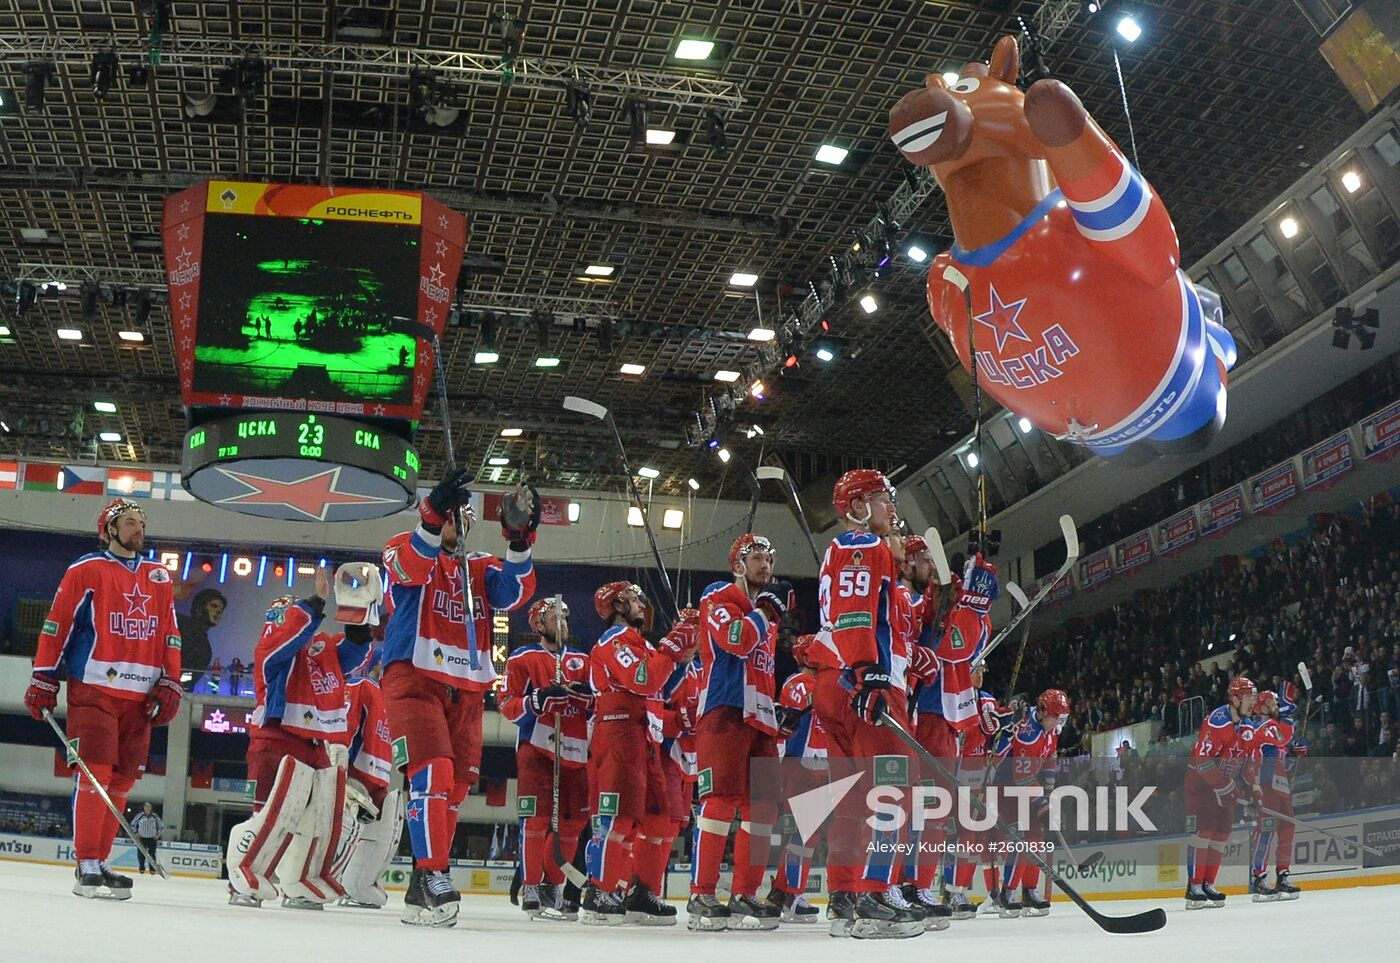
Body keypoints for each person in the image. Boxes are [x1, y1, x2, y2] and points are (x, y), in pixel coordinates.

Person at [380, 471, 540, 927]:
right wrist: (431, 517)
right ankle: (434, 873)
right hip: (414, 676)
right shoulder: (403, 545)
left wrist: (519, 537)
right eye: (448, 515)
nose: (455, 523)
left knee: (454, 789)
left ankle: (419, 884)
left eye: (459, 516)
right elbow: (408, 567)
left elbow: (514, 594)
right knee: (433, 773)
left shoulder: (482, 566)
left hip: (467, 685)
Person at [24, 498, 183, 899]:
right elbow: (57, 625)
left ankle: (102, 859)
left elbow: (170, 633)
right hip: (94, 689)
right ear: (109, 529)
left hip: (141, 695)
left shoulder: (159, 576)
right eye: (130, 522)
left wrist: (170, 682)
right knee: (94, 773)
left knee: (124, 780)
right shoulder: (86, 570)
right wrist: (44, 677)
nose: (138, 529)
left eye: (141, 523)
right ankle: (86, 862)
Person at [808, 469, 924, 939]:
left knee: (854, 799)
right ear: (857, 507)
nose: (891, 508)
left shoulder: (870, 554)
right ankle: (875, 892)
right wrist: (869, 672)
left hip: (840, 683)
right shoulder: (861, 545)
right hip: (862, 681)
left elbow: (877, 618)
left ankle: (844, 897)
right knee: (892, 789)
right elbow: (856, 615)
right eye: (881, 498)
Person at [224, 564, 376, 909]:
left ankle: (299, 880)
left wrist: (358, 616)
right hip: (275, 739)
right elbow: (284, 641)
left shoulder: (321, 650)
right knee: (269, 814)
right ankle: (243, 876)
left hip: (315, 742)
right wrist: (316, 604)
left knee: (320, 817)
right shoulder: (271, 652)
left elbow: (351, 656)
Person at [686, 534, 789, 931]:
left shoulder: (767, 613)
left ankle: (745, 894)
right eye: (757, 557)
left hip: (761, 718)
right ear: (738, 565)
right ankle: (702, 894)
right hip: (723, 712)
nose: (766, 564)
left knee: (762, 812)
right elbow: (737, 642)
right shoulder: (718, 597)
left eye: (769, 556)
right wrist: (763, 612)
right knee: (719, 803)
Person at [581, 581, 695, 925]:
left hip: (645, 736)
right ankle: (599, 890)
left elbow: (662, 685)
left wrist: (686, 649)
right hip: (618, 732)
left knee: (659, 820)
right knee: (618, 817)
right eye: (632, 598)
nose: (641, 602)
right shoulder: (613, 640)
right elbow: (643, 678)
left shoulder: (639, 643)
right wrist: (672, 648)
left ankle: (641, 891)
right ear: (616, 604)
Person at [499, 596, 592, 921]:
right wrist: (536, 700)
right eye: (555, 618)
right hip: (537, 749)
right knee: (535, 821)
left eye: (565, 618)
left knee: (572, 826)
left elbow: (599, 700)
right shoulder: (523, 658)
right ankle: (531, 886)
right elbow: (507, 703)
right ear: (539, 624)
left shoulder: (583, 660)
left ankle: (554, 885)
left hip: (577, 752)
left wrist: (589, 699)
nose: (562, 624)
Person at [1184, 676, 1260, 909]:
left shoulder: (1247, 726)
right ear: (1235, 698)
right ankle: (1194, 886)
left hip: (1225, 785)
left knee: (1221, 834)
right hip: (1201, 785)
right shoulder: (1218, 722)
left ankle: (1208, 884)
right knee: (1204, 831)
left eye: (1255, 697)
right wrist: (1225, 786)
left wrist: (1253, 789)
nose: (1253, 703)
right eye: (1249, 697)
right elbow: (1203, 761)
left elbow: (1246, 763)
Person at [992, 687, 1069, 917]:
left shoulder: (1051, 730)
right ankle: (1007, 893)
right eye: (1056, 717)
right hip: (1008, 788)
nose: (1058, 723)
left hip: (1027, 786)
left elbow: (1049, 763)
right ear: (1044, 712)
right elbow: (1021, 777)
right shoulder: (1028, 733)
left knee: (1036, 838)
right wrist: (1043, 806)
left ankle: (1029, 891)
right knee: (1023, 838)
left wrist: (1048, 797)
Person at [765, 633, 826, 923]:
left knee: (805, 833)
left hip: (816, 764)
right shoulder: (798, 683)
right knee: (802, 832)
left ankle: (782, 891)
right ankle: (792, 893)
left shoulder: (818, 682)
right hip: (799, 763)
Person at [1247, 688, 1305, 901]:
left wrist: (1293, 753)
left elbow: (1283, 756)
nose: (1276, 706)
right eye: (1272, 703)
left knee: (1287, 828)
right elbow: (1282, 739)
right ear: (1261, 707)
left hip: (1280, 785)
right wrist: (1289, 717)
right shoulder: (1263, 726)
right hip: (1266, 785)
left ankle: (1283, 875)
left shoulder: (1273, 727)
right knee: (1267, 830)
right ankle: (1259, 877)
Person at [176, 588, 226, 680]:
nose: (219, 611)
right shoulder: (177, 623)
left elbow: (189, 678)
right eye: (214, 606)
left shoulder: (205, 646)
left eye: (221, 609)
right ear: (198, 609)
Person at [131, 802, 162, 875]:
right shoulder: (140, 816)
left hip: (152, 839)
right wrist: (136, 833)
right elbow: (132, 825)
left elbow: (161, 826)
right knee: (140, 854)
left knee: (152, 854)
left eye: (149, 807)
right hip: (142, 838)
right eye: (146, 807)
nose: (147, 808)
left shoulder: (155, 817)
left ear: (151, 808)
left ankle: (152, 869)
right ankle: (141, 868)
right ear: (144, 808)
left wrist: (158, 835)